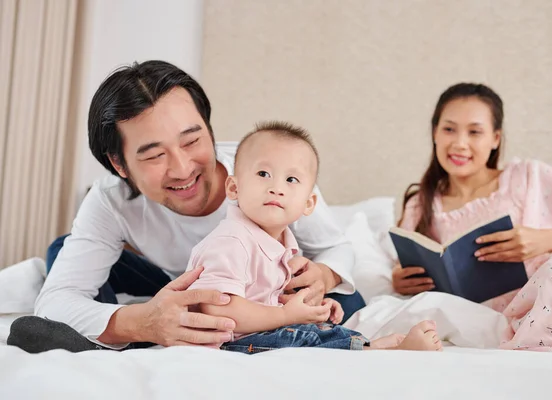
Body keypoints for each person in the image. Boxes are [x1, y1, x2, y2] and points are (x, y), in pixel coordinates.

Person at [7, 60, 365, 353]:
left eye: (192, 140)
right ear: (119, 165)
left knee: (344, 303)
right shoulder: (109, 201)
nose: (182, 169)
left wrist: (325, 275)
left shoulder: (271, 170)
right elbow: (55, 302)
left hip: (263, 292)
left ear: (209, 130)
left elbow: (337, 247)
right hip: (178, 285)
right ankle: (130, 340)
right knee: (61, 249)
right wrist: (143, 321)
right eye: (155, 155)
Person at [186, 121, 442, 353]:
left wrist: (308, 308)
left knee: (314, 328)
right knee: (299, 340)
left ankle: (369, 345)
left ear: (308, 204)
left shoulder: (281, 243)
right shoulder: (232, 240)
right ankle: (373, 351)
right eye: (263, 174)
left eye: (291, 179)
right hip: (229, 342)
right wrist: (286, 314)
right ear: (233, 187)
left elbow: (265, 301)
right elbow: (219, 308)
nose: (276, 187)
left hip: (255, 334)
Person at [391, 82, 552, 354]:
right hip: (486, 320)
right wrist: (398, 278)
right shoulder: (422, 204)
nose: (459, 143)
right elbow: (402, 267)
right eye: (449, 129)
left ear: (495, 139)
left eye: (475, 132)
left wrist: (544, 240)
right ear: (434, 133)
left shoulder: (528, 176)